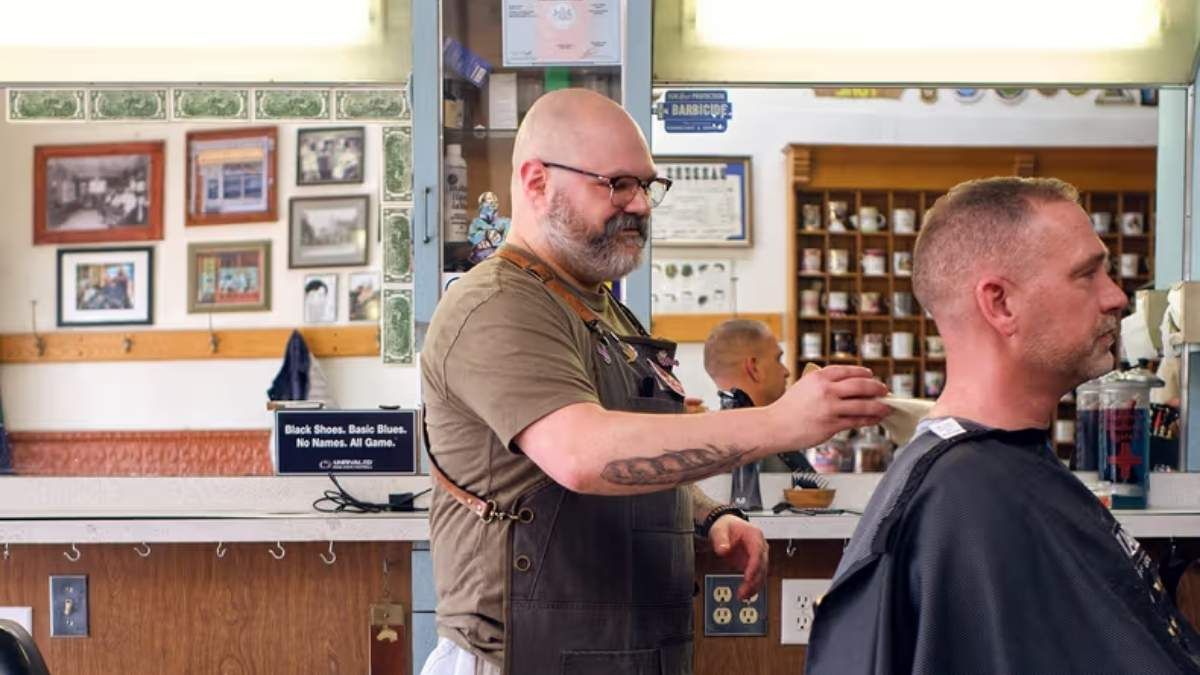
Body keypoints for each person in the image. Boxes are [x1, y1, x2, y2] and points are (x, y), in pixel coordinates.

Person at [419, 88, 889, 675]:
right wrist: (780, 421)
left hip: (621, 652)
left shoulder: (599, 307)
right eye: (617, 184)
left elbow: (630, 448)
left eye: (647, 186)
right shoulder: (496, 305)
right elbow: (581, 454)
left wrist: (705, 514)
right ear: (536, 182)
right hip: (520, 656)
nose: (640, 205)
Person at [806, 177, 1200, 674]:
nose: (1116, 297)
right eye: (1087, 274)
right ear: (1000, 304)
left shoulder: (998, 468)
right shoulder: (968, 499)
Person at [702, 319, 816, 474]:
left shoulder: (705, 448)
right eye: (778, 359)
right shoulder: (765, 446)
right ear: (753, 368)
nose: (786, 371)